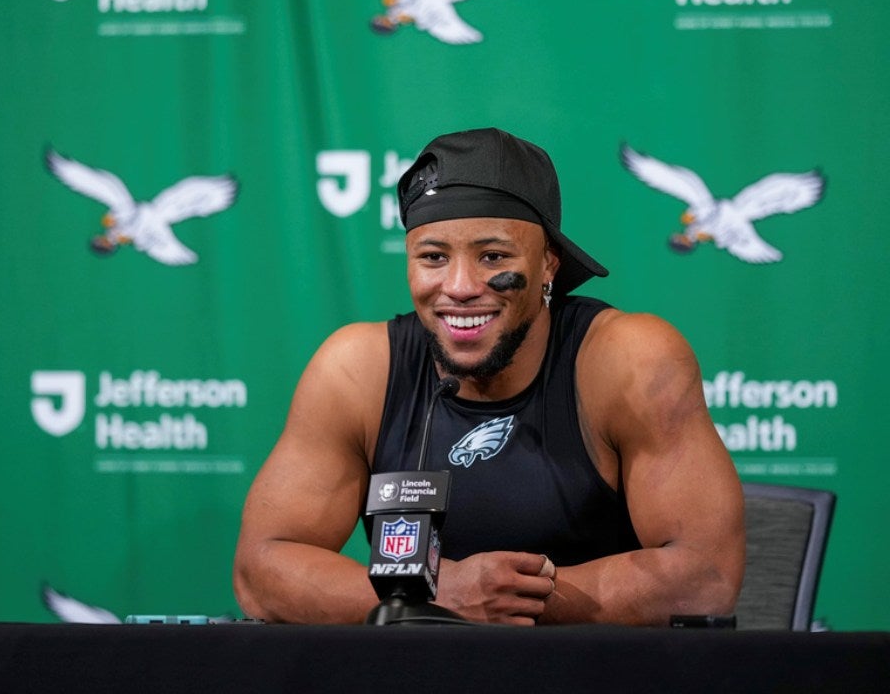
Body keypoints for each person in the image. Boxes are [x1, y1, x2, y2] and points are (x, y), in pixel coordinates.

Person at [232, 127, 745, 625]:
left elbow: (705, 576)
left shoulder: (628, 358)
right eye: (433, 257)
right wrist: (442, 593)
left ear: (549, 264)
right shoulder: (356, 369)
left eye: (493, 256)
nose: (459, 287)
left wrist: (503, 602)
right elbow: (262, 572)